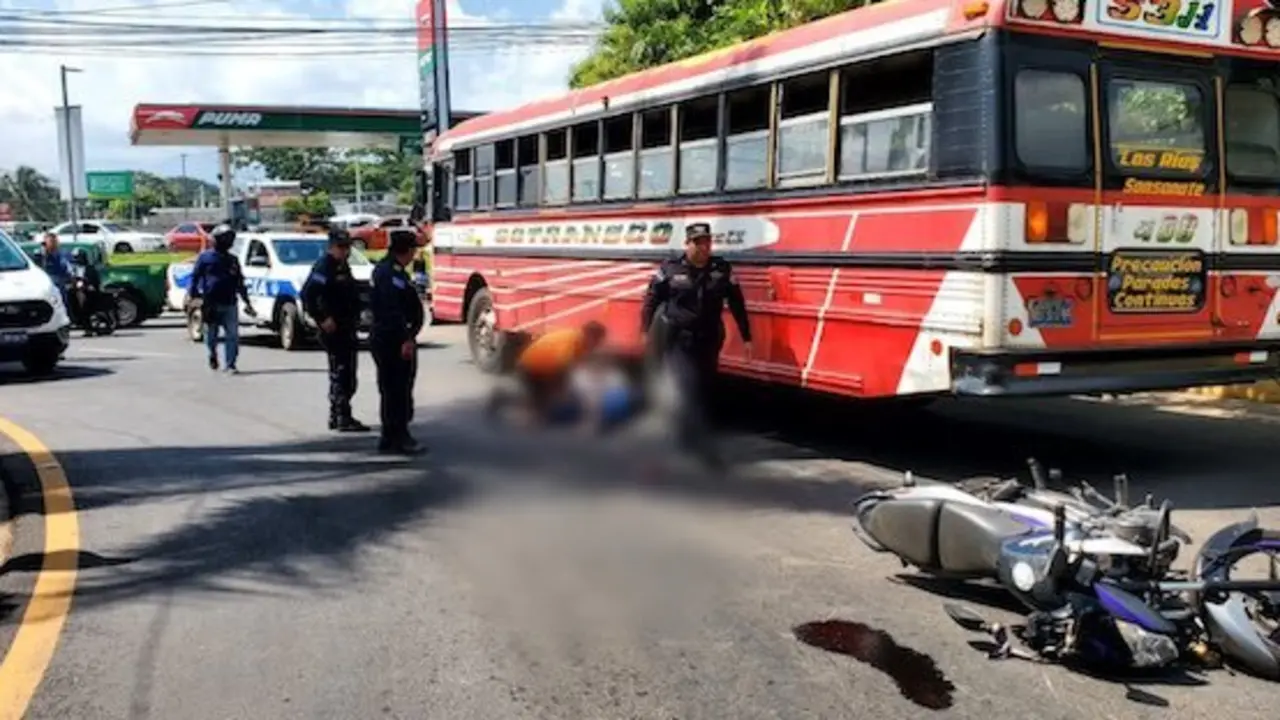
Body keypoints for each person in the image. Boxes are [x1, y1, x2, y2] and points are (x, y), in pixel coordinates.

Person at [640, 222, 753, 468]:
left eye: (707, 242)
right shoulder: (670, 269)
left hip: (710, 338)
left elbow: (736, 303)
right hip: (679, 337)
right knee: (686, 384)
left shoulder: (721, 269)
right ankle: (693, 443)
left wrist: (747, 336)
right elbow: (651, 300)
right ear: (687, 244)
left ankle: (690, 435)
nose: (703, 248)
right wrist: (646, 331)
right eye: (698, 243)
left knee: (703, 386)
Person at [301, 228, 370, 433]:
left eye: (347, 247)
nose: (345, 251)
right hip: (334, 328)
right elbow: (308, 295)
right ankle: (342, 416)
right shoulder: (325, 266)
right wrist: (322, 318)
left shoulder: (342, 265)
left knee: (347, 372)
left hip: (347, 325)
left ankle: (338, 414)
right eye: (341, 247)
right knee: (341, 372)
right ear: (331, 247)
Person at [370, 229, 426, 454]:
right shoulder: (390, 275)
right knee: (397, 389)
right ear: (408, 250)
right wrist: (406, 339)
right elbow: (392, 311)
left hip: (391, 337)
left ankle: (389, 436)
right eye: (413, 250)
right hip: (392, 340)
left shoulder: (392, 271)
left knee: (392, 388)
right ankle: (399, 436)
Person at [188, 224, 256, 373]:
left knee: (232, 335)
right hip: (210, 303)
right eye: (224, 239)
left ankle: (230, 364)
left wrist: (247, 302)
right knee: (211, 335)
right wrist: (193, 296)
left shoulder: (233, 260)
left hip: (230, 302)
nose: (228, 242)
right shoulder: (205, 258)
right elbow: (195, 277)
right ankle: (212, 353)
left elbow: (239, 282)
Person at [510, 321, 609, 419]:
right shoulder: (573, 340)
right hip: (533, 367)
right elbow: (562, 363)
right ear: (591, 336)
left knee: (552, 395)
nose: (597, 345)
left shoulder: (579, 339)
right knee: (551, 396)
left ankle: (536, 411)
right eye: (597, 341)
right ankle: (530, 414)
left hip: (539, 366)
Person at [39, 232, 73, 297]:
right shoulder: (40, 256)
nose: (52, 244)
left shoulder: (63, 254)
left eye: (53, 241)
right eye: (50, 242)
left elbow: (68, 267)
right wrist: (44, 255)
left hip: (60, 282)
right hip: (45, 284)